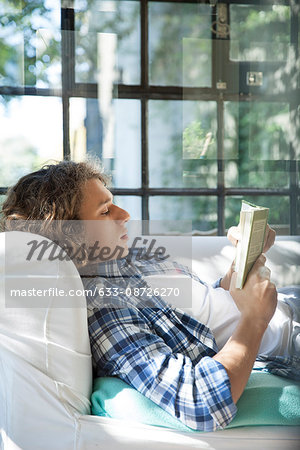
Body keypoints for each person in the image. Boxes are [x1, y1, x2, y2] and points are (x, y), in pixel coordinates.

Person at [1, 160, 299, 432]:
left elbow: (208, 308)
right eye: (105, 211)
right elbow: (201, 401)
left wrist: (246, 258)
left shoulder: (130, 260)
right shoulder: (106, 312)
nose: (125, 215)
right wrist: (255, 318)